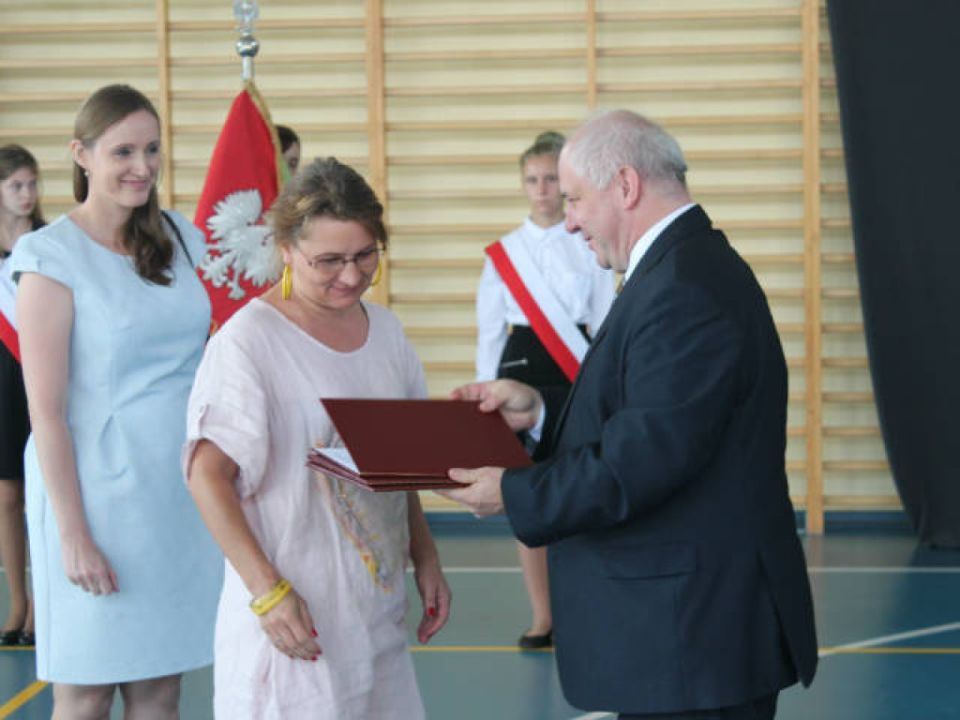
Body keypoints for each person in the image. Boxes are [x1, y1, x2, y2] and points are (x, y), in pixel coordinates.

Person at [441, 110, 818, 719]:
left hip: (692, 639)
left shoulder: (684, 288)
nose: (568, 221)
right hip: (688, 635)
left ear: (625, 185)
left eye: (574, 199)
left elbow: (640, 460)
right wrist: (541, 410)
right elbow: (658, 417)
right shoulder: (680, 267)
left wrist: (511, 491)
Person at [184, 156, 451, 719]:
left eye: (365, 255)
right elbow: (206, 476)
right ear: (286, 250)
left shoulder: (387, 332)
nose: (351, 276)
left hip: (375, 615)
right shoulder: (249, 342)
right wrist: (267, 591)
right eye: (328, 261)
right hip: (295, 621)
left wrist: (425, 555)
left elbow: (397, 464)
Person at [10, 84, 221, 718]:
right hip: (93, 494)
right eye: (122, 151)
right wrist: (73, 535)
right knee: (86, 692)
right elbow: (46, 413)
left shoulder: (179, 236)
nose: (142, 166)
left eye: (152, 149)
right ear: (82, 155)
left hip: (174, 488)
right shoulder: (49, 256)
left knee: (161, 687)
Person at [475, 130, 614, 649]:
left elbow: (604, 315)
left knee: (581, 487)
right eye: (532, 179)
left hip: (575, 366)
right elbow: (490, 330)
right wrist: (485, 397)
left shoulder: (589, 242)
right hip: (520, 370)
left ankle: (589, 610)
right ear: (522, 184)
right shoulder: (503, 253)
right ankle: (543, 617)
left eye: (551, 179)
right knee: (528, 495)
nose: (542, 189)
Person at [0, 143, 46, 648]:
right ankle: (17, 601)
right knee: (7, 494)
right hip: (2, 378)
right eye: (16, 185)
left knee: (43, 492)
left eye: (32, 184)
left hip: (40, 373)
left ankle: (42, 605)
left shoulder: (48, 245)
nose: (27, 194)